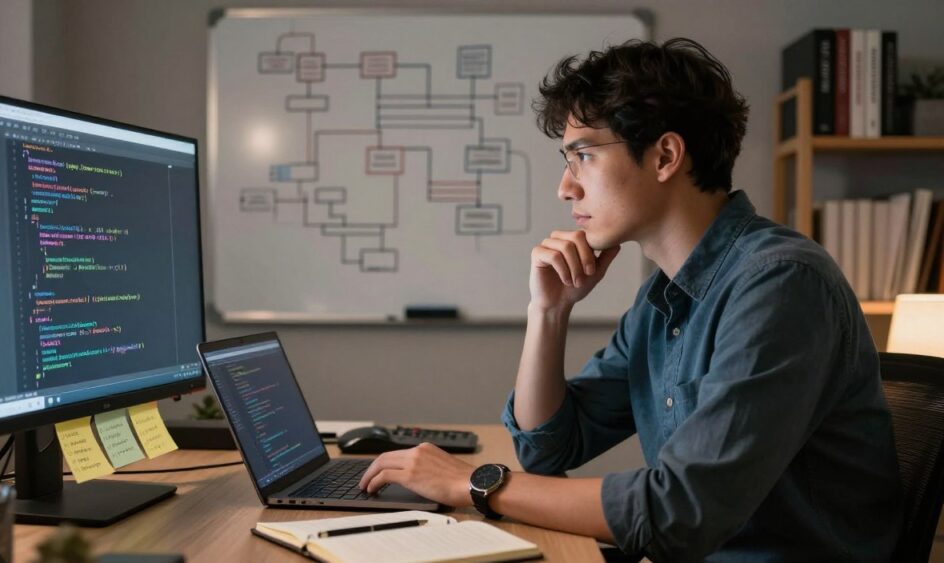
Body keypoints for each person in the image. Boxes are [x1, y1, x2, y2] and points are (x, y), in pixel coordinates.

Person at [358, 37, 901, 561]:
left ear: (665, 156)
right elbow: (548, 448)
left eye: (583, 155)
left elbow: (680, 512)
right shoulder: (661, 300)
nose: (565, 187)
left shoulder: (780, 284)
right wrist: (549, 311)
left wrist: (474, 483)